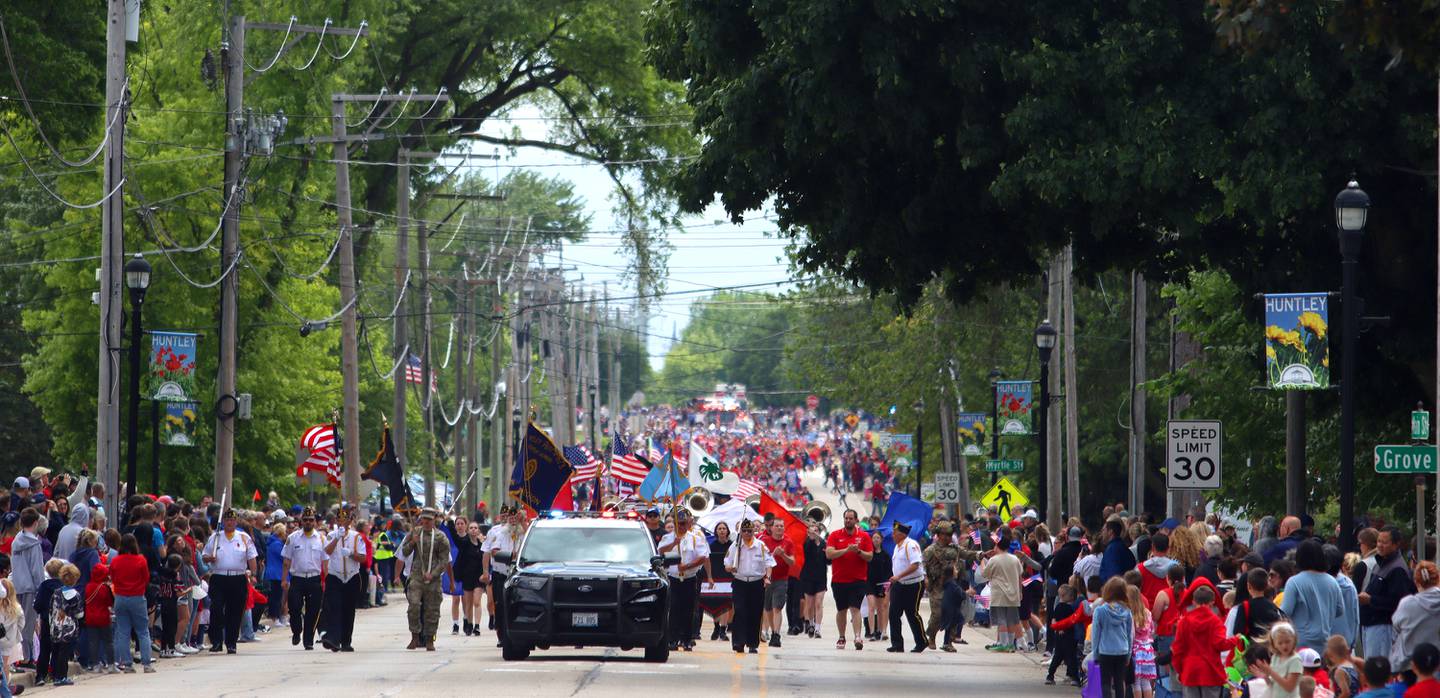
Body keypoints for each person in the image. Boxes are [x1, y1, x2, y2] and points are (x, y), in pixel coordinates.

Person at [202, 509, 258, 654]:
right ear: (223, 521)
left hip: (237, 578)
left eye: (232, 520)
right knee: (217, 609)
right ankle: (216, 641)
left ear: (236, 521)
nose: (229, 522)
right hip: (219, 577)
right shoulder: (215, 537)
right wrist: (210, 558)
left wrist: (253, 574)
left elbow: (251, 557)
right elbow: (204, 556)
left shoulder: (243, 537)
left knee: (235, 612)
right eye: (227, 520)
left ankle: (231, 643)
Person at [1171, 584, 1241, 698]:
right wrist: (1236, 639)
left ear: (1193, 602)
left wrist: (1180, 670)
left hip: (1190, 671)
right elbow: (1220, 644)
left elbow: (1177, 649)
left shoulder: (1184, 622)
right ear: (1212, 602)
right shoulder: (1215, 621)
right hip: (1210, 672)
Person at [657, 509, 711, 652]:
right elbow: (660, 552)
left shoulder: (695, 538)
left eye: (683, 523)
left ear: (688, 523)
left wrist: (687, 566)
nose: (681, 526)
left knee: (688, 610)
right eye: (678, 523)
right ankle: (672, 639)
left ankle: (686, 640)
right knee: (673, 609)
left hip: (689, 578)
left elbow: (702, 556)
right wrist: (673, 543)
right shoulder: (667, 538)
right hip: (673, 578)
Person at [1359, 527, 1415, 661]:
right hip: (1371, 626)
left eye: (1384, 542)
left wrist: (1371, 600)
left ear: (1395, 545)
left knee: (1378, 671)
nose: (1380, 545)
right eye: (1378, 541)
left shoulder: (1397, 569)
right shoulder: (1381, 562)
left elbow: (1399, 603)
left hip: (1383, 627)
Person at [402, 508, 453, 651]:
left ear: (434, 519)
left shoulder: (441, 537)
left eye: (429, 519)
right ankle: (415, 637)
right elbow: (404, 552)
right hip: (417, 575)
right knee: (414, 605)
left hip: (433, 578)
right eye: (424, 519)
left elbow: (444, 560)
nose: (425, 522)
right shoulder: (415, 532)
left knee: (432, 609)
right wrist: (412, 542)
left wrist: (434, 573)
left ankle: (430, 639)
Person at [1282, 540, 1346, 653]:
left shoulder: (1294, 582)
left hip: (1300, 641)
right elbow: (1340, 610)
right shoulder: (1332, 581)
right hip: (1325, 641)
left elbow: (1285, 612)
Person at [825, 508, 874, 651]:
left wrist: (858, 551)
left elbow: (870, 556)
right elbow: (829, 554)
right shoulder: (835, 535)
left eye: (851, 518)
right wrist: (846, 550)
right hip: (839, 579)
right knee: (841, 610)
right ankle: (841, 636)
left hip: (858, 579)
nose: (848, 521)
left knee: (855, 608)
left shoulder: (864, 537)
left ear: (856, 520)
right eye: (846, 518)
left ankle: (858, 636)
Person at [724, 518, 773, 654]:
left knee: (755, 613)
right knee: (739, 611)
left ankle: (752, 644)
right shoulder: (735, 546)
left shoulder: (761, 546)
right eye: (744, 531)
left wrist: (767, 578)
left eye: (749, 531)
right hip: (740, 582)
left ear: (754, 531)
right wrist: (730, 568)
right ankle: (739, 642)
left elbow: (769, 563)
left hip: (756, 582)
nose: (747, 533)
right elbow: (726, 563)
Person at [281, 508, 326, 650]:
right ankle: (296, 630)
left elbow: (325, 562)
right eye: (305, 520)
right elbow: (287, 560)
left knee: (313, 611)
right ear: (301, 521)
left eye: (311, 520)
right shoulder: (293, 538)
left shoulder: (321, 539)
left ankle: (308, 641)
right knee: (294, 608)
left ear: (315, 522)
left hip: (314, 578)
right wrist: (284, 579)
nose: (308, 522)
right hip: (297, 578)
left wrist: (326, 579)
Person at [110, 533, 154, 673]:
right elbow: (146, 579)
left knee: (123, 631)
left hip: (120, 597)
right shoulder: (140, 560)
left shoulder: (116, 560)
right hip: (137, 597)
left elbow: (112, 577)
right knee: (142, 631)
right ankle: (146, 663)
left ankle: (127, 664)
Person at [320, 510, 364, 652]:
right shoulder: (332, 535)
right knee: (334, 607)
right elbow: (327, 551)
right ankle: (333, 639)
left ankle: (346, 641)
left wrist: (352, 554)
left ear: (350, 521)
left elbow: (363, 558)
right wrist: (336, 538)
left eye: (344, 520)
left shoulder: (356, 537)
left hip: (351, 576)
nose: (342, 522)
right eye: (339, 519)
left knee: (348, 610)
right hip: (335, 576)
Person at [1390, 561, 1440, 675]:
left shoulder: (1407, 604)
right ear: (1438, 579)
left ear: (1416, 582)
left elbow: (1396, 627)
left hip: (1412, 667)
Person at [883, 522, 926, 654]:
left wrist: (898, 576)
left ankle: (922, 642)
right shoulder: (897, 546)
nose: (892, 535)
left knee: (912, 614)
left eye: (894, 532)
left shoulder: (910, 545)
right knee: (893, 614)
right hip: (899, 584)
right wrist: (895, 578)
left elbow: (915, 565)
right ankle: (897, 644)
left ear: (901, 534)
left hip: (914, 584)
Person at [982, 530, 1024, 653]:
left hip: (999, 593)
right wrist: (1020, 591)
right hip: (1014, 593)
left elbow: (985, 574)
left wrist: (983, 561)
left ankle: (1003, 643)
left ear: (997, 546)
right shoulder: (1015, 559)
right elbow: (1020, 576)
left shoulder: (994, 560)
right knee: (1012, 619)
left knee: (1001, 619)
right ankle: (1010, 644)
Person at [1091, 577, 1135, 698]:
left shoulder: (1100, 611)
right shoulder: (1127, 611)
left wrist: (1095, 654)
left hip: (1105, 651)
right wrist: (1129, 655)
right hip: (1122, 650)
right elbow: (1130, 634)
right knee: (1120, 682)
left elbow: (1095, 634)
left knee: (1105, 682)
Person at [10, 508, 41, 669]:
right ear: (35, 523)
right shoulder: (34, 544)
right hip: (30, 587)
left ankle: (19, 656)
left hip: (17, 585)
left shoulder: (16, 542)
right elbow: (36, 569)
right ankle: (27, 657)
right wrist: (41, 587)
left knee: (18, 622)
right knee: (29, 622)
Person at [923, 523, 961, 650]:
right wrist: (925, 578)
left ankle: (948, 642)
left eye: (949, 535)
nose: (947, 537)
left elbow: (967, 554)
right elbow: (922, 564)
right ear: (938, 535)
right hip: (936, 587)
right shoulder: (930, 550)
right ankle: (931, 636)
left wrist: (980, 554)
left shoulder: (954, 549)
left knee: (953, 613)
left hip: (951, 586)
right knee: (937, 614)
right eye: (944, 534)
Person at [758, 518, 794, 648]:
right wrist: (774, 553)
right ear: (771, 528)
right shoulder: (764, 541)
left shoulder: (788, 542)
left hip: (781, 579)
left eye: (781, 526)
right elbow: (761, 560)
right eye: (777, 526)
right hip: (767, 578)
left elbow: (792, 562)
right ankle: (773, 631)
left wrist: (783, 555)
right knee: (768, 608)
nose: (779, 528)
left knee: (777, 608)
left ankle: (776, 634)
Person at [46, 563, 81, 687]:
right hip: (68, 628)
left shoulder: (56, 592)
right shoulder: (76, 595)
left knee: (55, 652)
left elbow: (51, 608)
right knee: (64, 654)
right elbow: (79, 614)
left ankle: (54, 675)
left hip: (55, 626)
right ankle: (62, 677)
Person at [1253, 621, 1305, 698]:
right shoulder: (1275, 658)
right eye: (1280, 643)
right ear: (1274, 644)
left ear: (1294, 640)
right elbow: (1273, 684)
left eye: (1287, 641)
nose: (1284, 646)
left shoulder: (1295, 660)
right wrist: (1265, 677)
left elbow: (1289, 687)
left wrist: (1270, 672)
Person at [82, 561, 113, 672]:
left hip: (90, 617)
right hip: (103, 617)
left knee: (93, 642)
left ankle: (95, 665)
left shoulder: (88, 586)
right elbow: (109, 602)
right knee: (108, 641)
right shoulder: (104, 587)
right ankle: (111, 664)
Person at [801, 521, 828, 638]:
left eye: (816, 531)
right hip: (808, 577)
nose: (813, 533)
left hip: (821, 577)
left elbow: (829, 562)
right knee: (810, 604)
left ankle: (817, 629)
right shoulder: (807, 543)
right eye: (811, 531)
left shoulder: (824, 543)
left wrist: (827, 554)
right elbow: (806, 553)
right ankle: (811, 624)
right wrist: (812, 539)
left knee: (818, 603)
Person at [1131, 585, 1159, 698]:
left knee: (1136, 683)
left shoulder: (1131, 613)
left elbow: (1131, 634)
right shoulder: (1147, 612)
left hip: (1136, 650)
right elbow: (1152, 629)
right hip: (1147, 650)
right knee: (1146, 681)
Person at [866, 530, 890, 643]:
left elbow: (889, 571)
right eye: (874, 538)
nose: (875, 540)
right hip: (870, 583)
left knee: (881, 608)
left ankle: (882, 630)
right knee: (871, 607)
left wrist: (887, 583)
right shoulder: (869, 554)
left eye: (878, 538)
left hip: (882, 584)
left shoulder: (886, 555)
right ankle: (871, 632)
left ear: (881, 540)